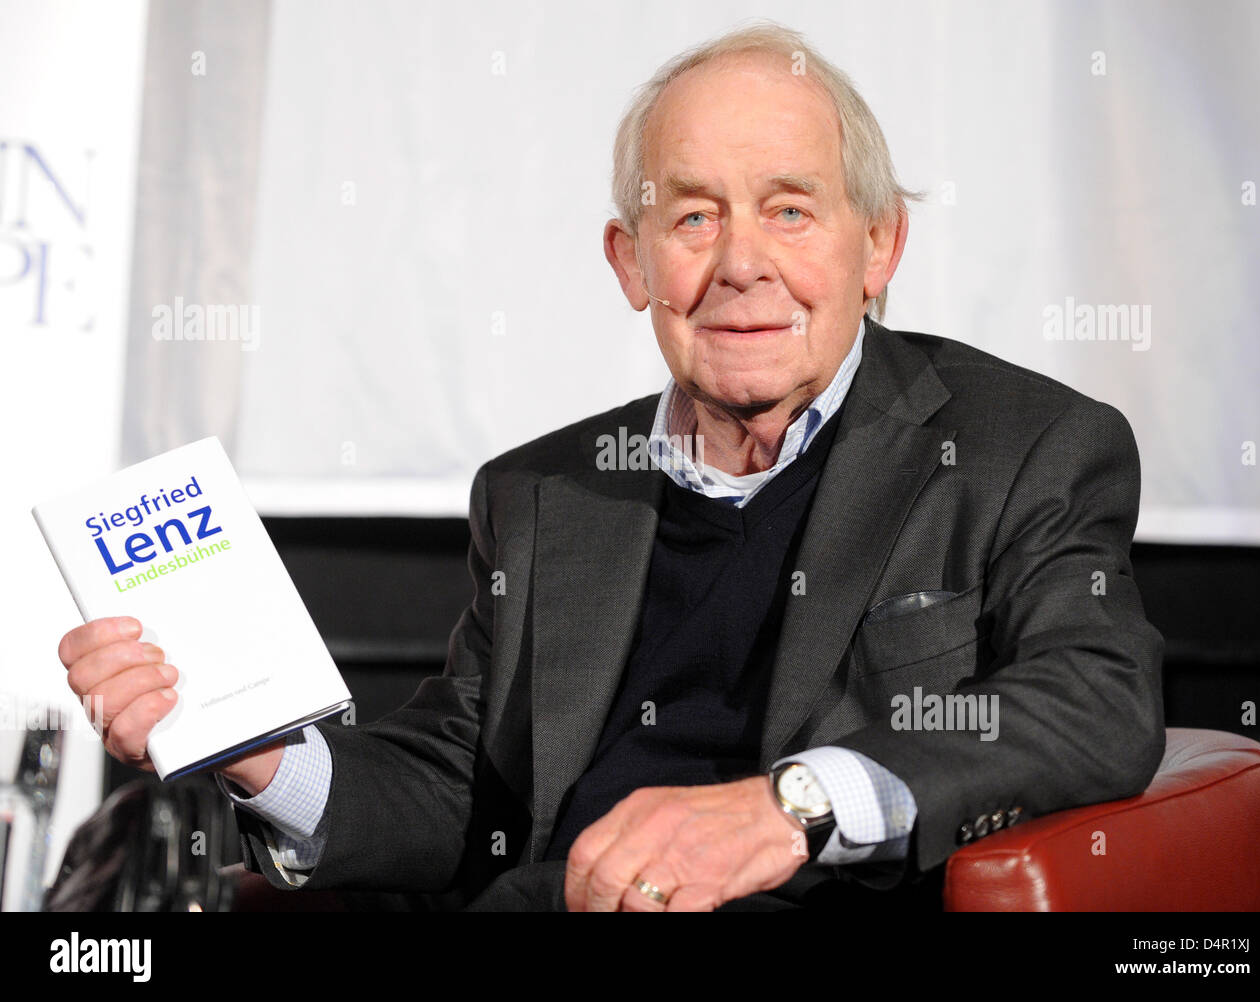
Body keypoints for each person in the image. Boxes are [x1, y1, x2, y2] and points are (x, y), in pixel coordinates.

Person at [58, 22, 1164, 912]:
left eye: (789, 209)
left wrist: (787, 809)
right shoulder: (543, 495)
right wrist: (256, 753)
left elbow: (1094, 700)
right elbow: (463, 794)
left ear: (877, 247)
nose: (740, 264)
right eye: (692, 216)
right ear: (630, 263)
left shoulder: (1023, 449)